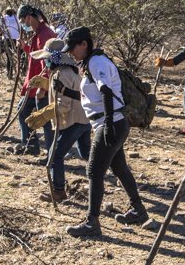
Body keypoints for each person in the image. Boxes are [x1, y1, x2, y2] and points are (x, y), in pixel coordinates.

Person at [62, 26, 148, 237]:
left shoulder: (96, 62)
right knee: (119, 168)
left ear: (84, 44)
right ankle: (138, 210)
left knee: (94, 171)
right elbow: (92, 97)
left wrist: (108, 124)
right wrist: (64, 91)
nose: (71, 53)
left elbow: (106, 91)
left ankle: (92, 222)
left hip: (111, 123)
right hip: (112, 122)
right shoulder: (90, 62)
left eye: (73, 48)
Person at [26, 38, 91, 202]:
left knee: (55, 155)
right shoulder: (68, 71)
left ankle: (59, 191)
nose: (44, 62)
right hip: (84, 119)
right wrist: (46, 84)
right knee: (87, 154)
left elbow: (63, 105)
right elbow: (63, 91)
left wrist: (44, 114)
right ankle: (108, 173)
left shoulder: (60, 74)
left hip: (74, 121)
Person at [14, 4, 55, 155]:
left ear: (28, 18)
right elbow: (36, 55)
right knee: (24, 111)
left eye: (23, 21)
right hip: (35, 84)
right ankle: (31, 146)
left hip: (41, 86)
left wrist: (43, 87)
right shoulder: (40, 33)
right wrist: (25, 47)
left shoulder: (45, 34)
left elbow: (48, 63)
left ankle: (52, 156)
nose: (23, 25)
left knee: (46, 120)